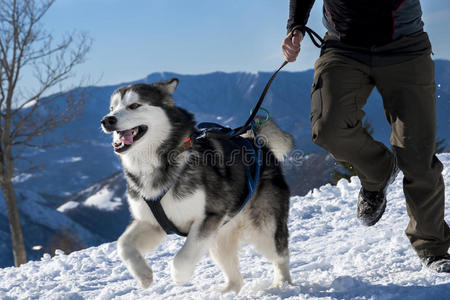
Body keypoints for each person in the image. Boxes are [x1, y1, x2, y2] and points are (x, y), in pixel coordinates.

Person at [282, 0, 450, 272]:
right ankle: (379, 171)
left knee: (417, 153)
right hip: (343, 46)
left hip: (405, 47)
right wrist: (296, 27)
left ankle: (432, 246)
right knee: (329, 128)